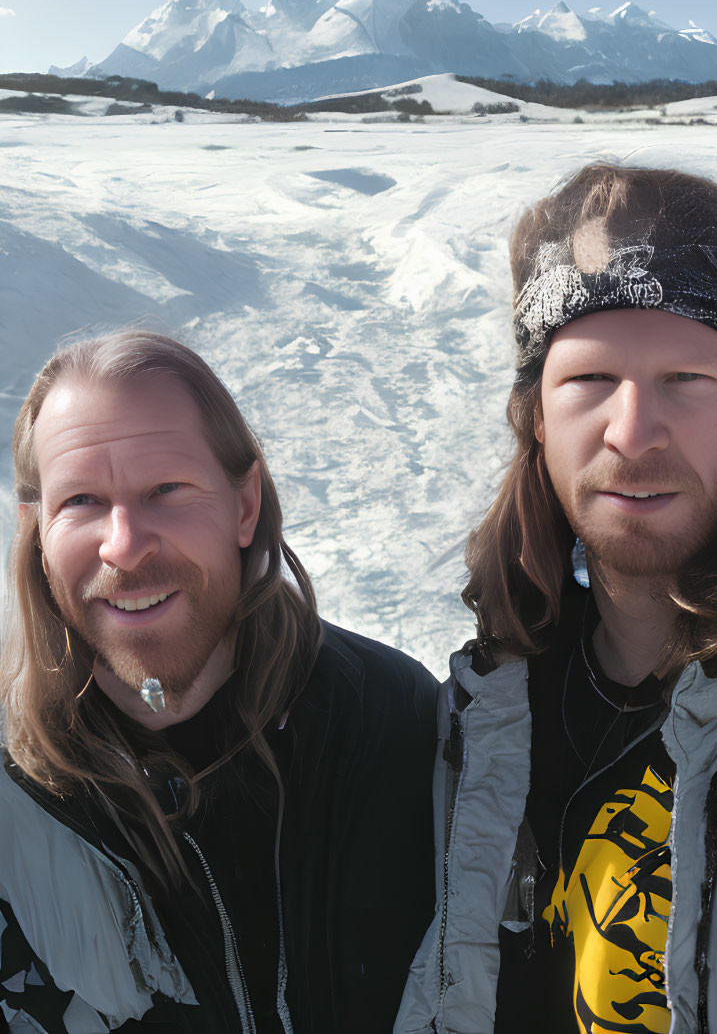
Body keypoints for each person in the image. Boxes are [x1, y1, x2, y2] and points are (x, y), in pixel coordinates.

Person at [395, 163, 717, 1034]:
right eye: (587, 382)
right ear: (535, 416)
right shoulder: (490, 699)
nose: (631, 431)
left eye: (686, 380)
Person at [0, 330, 438, 1034]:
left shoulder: (393, 721)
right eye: (80, 501)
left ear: (244, 504)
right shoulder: (12, 789)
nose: (124, 544)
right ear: (36, 530)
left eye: (166, 490)